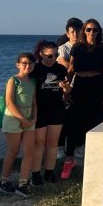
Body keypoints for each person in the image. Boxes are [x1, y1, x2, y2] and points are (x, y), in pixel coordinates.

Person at [61, 19, 103, 179]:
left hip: (96, 85)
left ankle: (93, 156)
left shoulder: (102, 49)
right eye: (88, 30)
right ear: (84, 31)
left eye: (95, 30)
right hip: (80, 84)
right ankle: (69, 158)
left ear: (99, 32)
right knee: (73, 120)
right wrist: (65, 87)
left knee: (94, 120)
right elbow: (70, 69)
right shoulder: (77, 47)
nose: (92, 33)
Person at [30, 41, 70, 185]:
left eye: (56, 55)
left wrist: (66, 90)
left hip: (57, 108)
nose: (53, 58)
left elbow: (67, 92)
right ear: (41, 54)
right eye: (50, 55)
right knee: (39, 143)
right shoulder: (35, 69)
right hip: (40, 110)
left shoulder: (60, 69)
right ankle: (35, 174)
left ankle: (49, 172)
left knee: (53, 143)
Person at [0, 52, 37, 196]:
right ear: (18, 65)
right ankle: (4, 182)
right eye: (24, 63)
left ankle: (22, 184)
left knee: (29, 151)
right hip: (13, 118)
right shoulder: (13, 80)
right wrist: (22, 119)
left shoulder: (32, 81)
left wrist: (33, 119)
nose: (27, 66)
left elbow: (34, 102)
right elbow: (9, 102)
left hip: (28, 119)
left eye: (30, 63)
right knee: (13, 151)